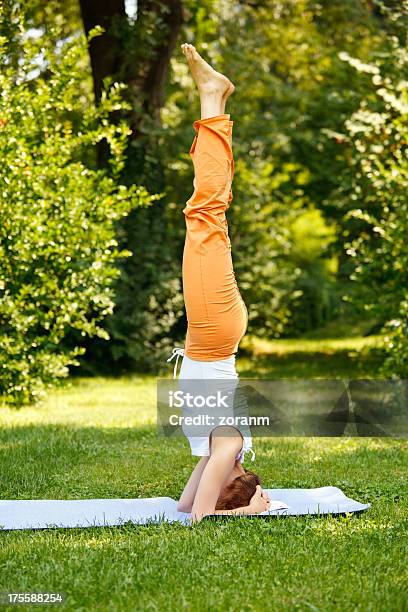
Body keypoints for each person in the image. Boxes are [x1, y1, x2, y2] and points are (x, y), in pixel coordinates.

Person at [168, 43, 271, 522]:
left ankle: (217, 99)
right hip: (213, 335)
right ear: (233, 478)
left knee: (207, 214)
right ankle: (211, 99)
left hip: (212, 336)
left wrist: (234, 496)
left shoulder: (216, 450)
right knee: (206, 212)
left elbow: (188, 506)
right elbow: (200, 518)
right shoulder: (228, 442)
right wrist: (248, 510)